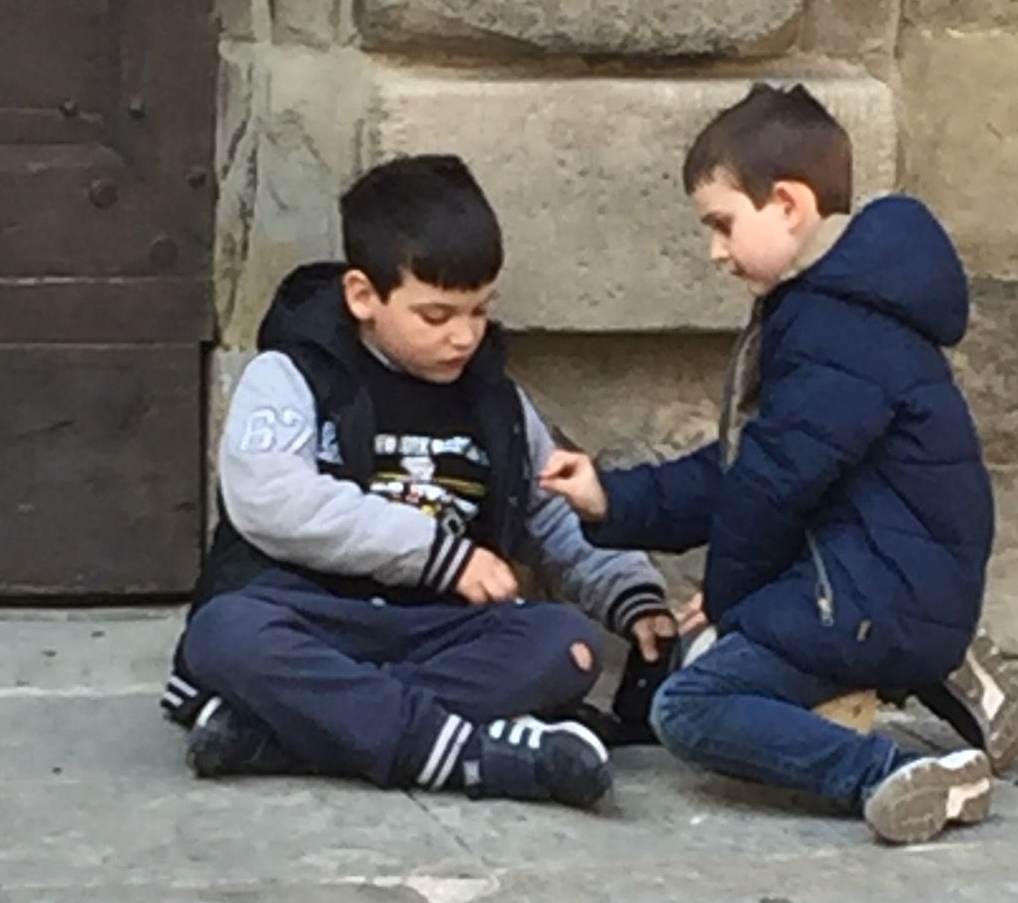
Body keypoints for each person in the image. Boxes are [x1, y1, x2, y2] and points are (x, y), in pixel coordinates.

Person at [542, 84, 1018, 844]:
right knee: (717, 657)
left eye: (721, 224)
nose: (713, 251)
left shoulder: (837, 325)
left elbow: (771, 487)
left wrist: (731, 597)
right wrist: (613, 497)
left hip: (878, 589)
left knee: (692, 705)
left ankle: (891, 773)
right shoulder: (838, 306)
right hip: (881, 576)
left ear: (789, 206)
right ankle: (941, 663)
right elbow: (746, 467)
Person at [161, 154, 675, 809]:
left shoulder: (497, 402)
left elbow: (556, 511)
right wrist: (442, 557)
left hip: (433, 632)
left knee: (566, 647)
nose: (463, 337)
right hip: (312, 614)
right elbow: (270, 498)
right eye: (436, 316)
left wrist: (632, 595)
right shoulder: (292, 375)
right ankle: (466, 757)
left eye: (479, 311)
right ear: (363, 296)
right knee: (226, 634)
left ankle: (288, 732)